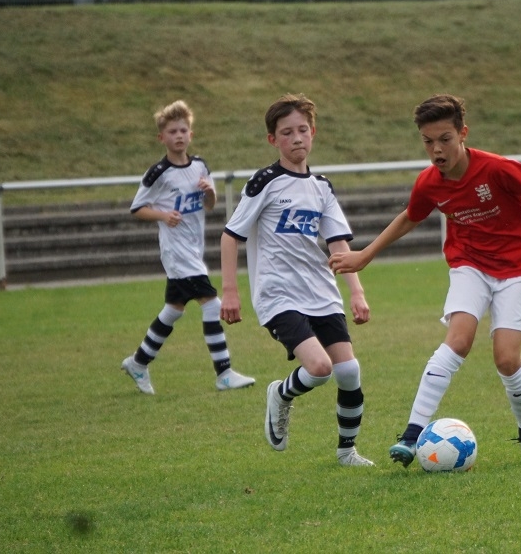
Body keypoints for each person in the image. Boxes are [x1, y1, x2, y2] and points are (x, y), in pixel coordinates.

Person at [328, 94, 521, 467]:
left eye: (445, 139)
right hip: (469, 265)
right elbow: (410, 217)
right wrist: (365, 254)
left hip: (516, 269)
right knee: (458, 341)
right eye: (428, 141)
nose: (436, 149)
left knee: (507, 360)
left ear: (463, 133)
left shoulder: (496, 169)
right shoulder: (429, 183)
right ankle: (411, 435)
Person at [219, 93, 375, 467]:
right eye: (287, 133)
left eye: (302, 130)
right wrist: (230, 291)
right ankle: (281, 394)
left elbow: (338, 244)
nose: (296, 138)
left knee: (349, 371)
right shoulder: (265, 181)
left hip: (321, 291)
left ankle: (347, 452)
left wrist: (357, 292)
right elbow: (230, 235)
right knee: (320, 368)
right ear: (273, 139)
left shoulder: (321, 186)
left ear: (313, 132)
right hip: (278, 294)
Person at [121, 100, 255, 395]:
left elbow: (210, 205)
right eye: (172, 131)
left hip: (194, 248)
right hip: (176, 251)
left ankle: (138, 362)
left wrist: (209, 193)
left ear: (191, 134)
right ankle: (224, 373)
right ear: (162, 137)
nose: (179, 136)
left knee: (173, 310)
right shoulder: (158, 173)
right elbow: (137, 208)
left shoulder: (200, 166)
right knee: (212, 304)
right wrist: (162, 215)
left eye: (183, 130)